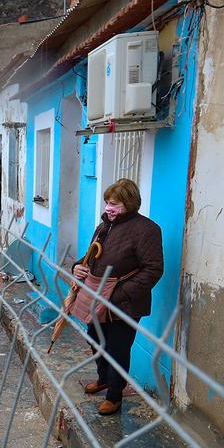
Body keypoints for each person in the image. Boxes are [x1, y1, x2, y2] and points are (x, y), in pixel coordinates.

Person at [72, 178, 163, 416]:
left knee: (117, 349)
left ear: (129, 203)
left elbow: (153, 269)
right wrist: (78, 266)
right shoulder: (104, 226)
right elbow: (91, 256)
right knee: (94, 338)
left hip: (124, 304)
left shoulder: (147, 230)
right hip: (97, 297)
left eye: (114, 203)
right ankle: (104, 379)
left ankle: (114, 395)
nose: (108, 208)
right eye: (107, 203)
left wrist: (120, 294)